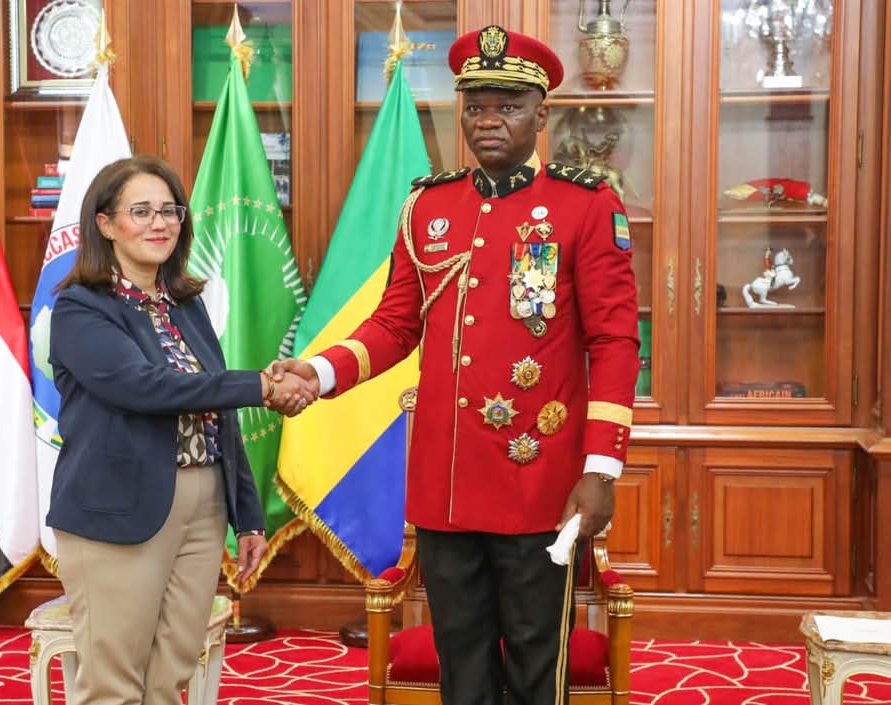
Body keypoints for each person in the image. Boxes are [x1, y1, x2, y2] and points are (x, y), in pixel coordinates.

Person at [272, 25, 639, 705]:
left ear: (541, 116)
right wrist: (318, 372)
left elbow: (616, 342)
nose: (488, 120)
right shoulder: (429, 206)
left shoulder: (584, 206)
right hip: (445, 482)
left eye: (508, 106)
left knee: (536, 663)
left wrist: (601, 469)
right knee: (461, 665)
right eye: (475, 106)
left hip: (539, 481)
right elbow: (394, 325)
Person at [46, 155, 314, 704]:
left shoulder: (184, 306)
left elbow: (217, 413)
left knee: (171, 675)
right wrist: (263, 386)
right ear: (105, 224)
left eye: (169, 210)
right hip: (118, 510)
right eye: (141, 211)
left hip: (202, 505)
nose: (160, 223)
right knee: (113, 682)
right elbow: (145, 388)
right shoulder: (80, 309)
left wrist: (248, 516)